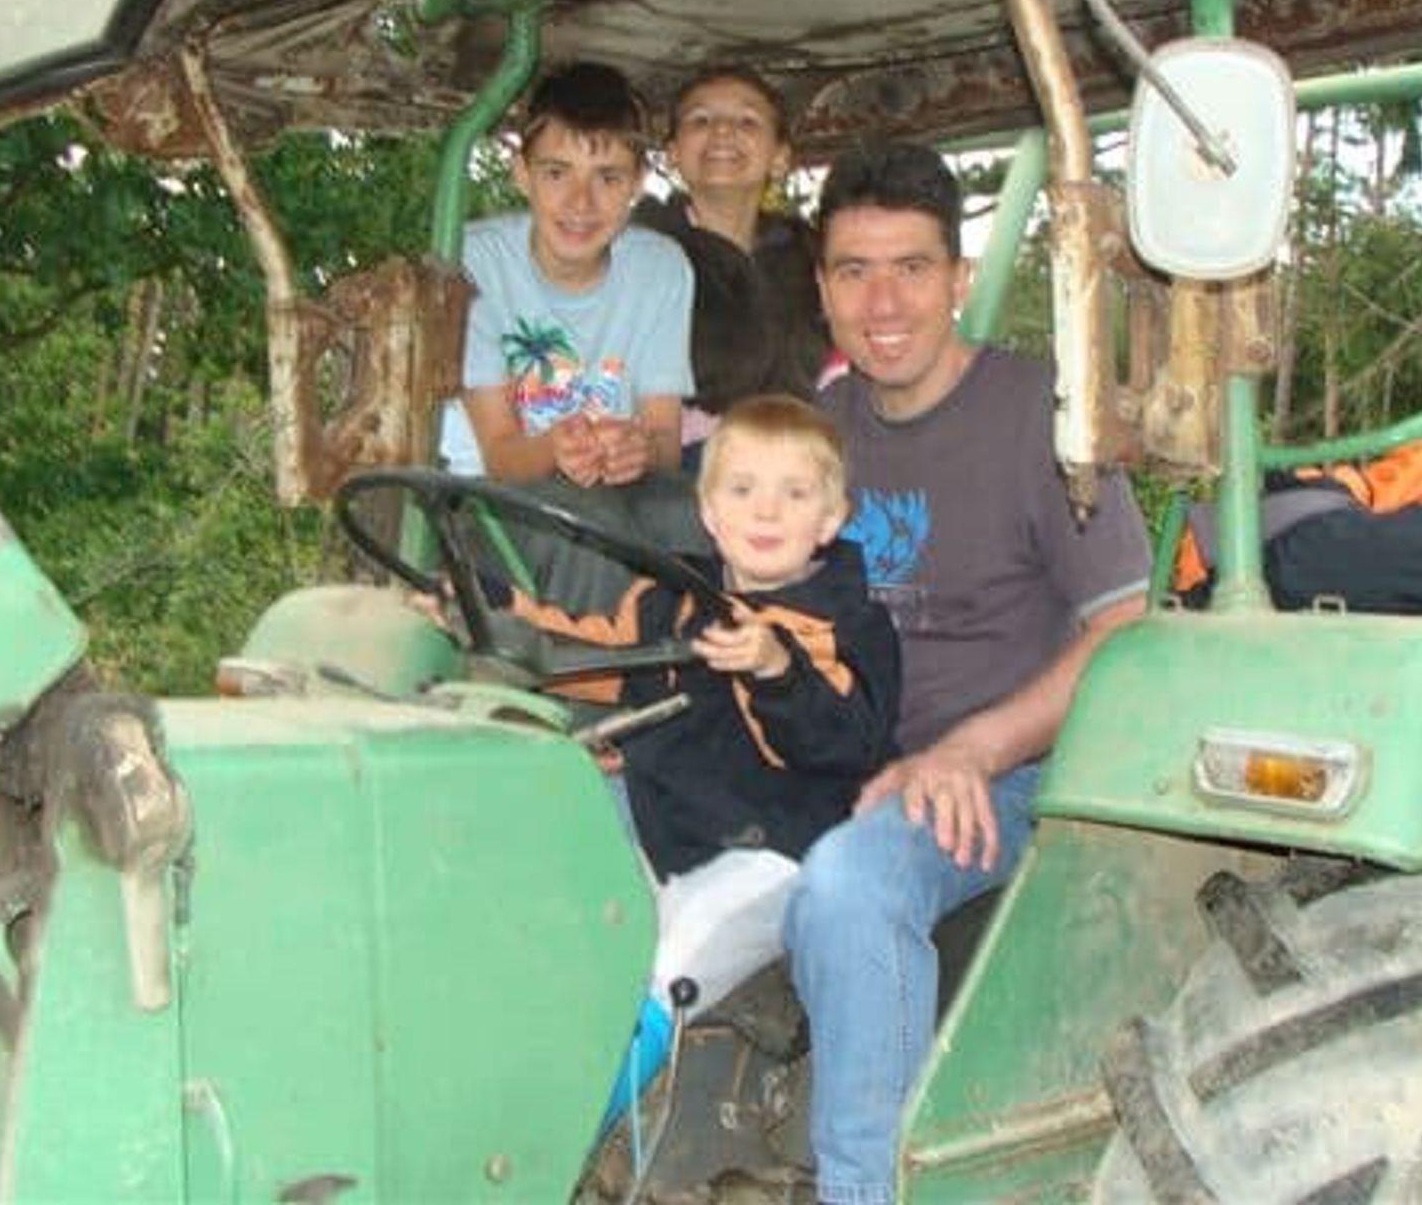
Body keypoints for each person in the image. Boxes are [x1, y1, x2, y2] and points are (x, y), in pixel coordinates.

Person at [788, 144, 1152, 1205]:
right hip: (858, 761)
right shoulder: (820, 432)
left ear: (957, 277)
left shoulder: (1039, 412)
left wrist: (969, 750)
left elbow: (1124, 630)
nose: (882, 301)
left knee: (852, 887)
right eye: (854, 270)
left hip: (1020, 773)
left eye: (911, 267)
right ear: (822, 290)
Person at [494, 394, 900, 1116]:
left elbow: (845, 744)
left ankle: (570, 1135)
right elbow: (597, 657)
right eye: (742, 490)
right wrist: (502, 614)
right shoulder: (671, 599)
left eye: (794, 493)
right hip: (667, 825)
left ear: (830, 519)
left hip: (776, 849)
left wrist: (777, 671)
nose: (766, 511)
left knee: (674, 958)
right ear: (709, 512)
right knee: (534, 875)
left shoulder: (847, 627)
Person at [440, 61, 701, 606]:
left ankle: (722, 656)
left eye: (607, 178)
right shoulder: (475, 261)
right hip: (493, 499)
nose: (581, 204)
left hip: (617, 492)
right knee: (590, 527)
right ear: (521, 173)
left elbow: (664, 441)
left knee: (709, 513)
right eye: (557, 173)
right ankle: (590, 664)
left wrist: (635, 450)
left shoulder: (662, 268)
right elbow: (501, 455)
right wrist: (556, 450)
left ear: (638, 183)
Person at [634, 67, 832, 461]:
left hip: (808, 456)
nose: (723, 131)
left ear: (780, 157)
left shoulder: (813, 252)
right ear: (672, 154)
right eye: (701, 120)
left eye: (747, 121)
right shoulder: (639, 253)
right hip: (688, 463)